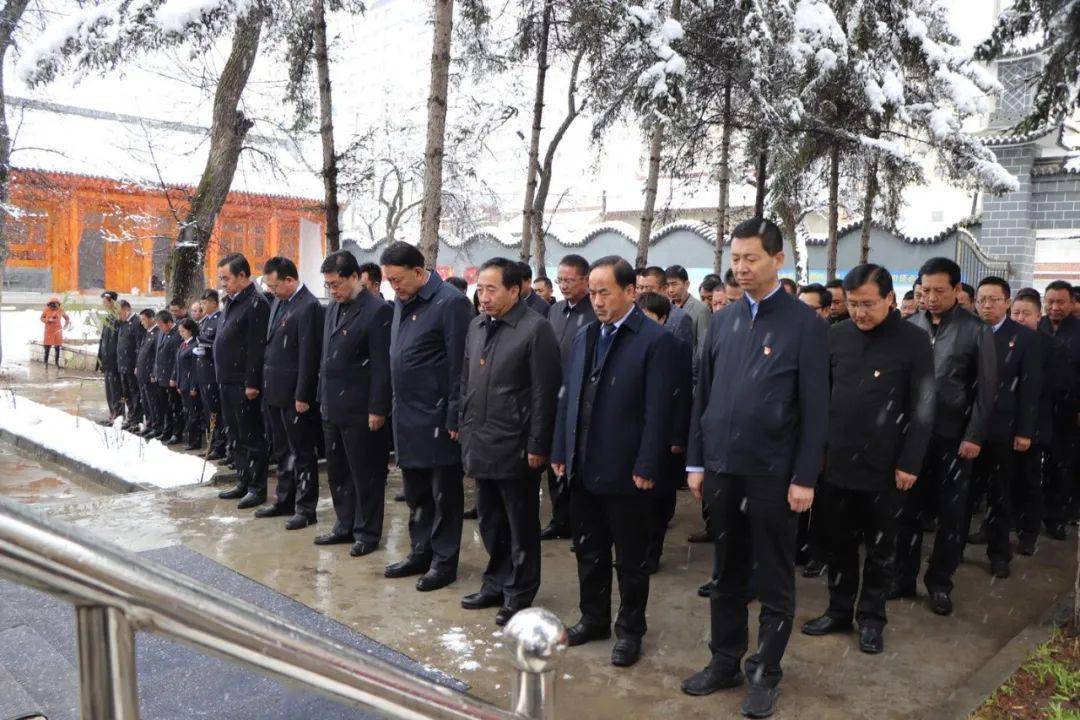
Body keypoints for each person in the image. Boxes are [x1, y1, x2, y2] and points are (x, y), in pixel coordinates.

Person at [681, 217, 827, 718]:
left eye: (751, 259)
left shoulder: (804, 324)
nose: (741, 268)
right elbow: (704, 395)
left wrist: (805, 476)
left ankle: (765, 672)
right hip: (723, 470)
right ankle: (724, 661)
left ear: (777, 260)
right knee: (726, 572)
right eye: (736, 258)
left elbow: (815, 407)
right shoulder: (723, 320)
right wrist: (696, 462)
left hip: (774, 474)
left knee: (773, 578)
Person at [800, 264, 935, 656]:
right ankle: (839, 610)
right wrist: (816, 453)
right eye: (853, 304)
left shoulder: (913, 341)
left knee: (880, 549)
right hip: (838, 461)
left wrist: (910, 462)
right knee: (838, 543)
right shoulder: (836, 336)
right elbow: (820, 397)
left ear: (891, 299)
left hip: (886, 466)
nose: (859, 313)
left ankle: (872, 619)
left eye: (868, 304)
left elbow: (923, 406)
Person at [551, 255, 675, 669]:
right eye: (594, 293)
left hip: (627, 471)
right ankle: (594, 618)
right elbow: (567, 399)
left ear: (630, 292)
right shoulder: (587, 334)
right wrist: (559, 450)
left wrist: (647, 464)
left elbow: (659, 412)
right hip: (584, 464)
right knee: (589, 550)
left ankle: (630, 630)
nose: (598, 300)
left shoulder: (655, 341)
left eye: (606, 292)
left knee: (631, 558)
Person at [458, 258, 562, 626]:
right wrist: (461, 422)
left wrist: (538, 444)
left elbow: (544, 392)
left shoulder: (536, 330)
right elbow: (466, 380)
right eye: (480, 289)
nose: (483, 297)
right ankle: (495, 581)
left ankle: (519, 590)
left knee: (520, 522)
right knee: (489, 518)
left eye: (491, 289)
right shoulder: (475, 326)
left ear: (515, 290)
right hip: (480, 437)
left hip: (515, 442)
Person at [895, 257, 996, 616]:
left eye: (940, 291)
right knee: (907, 511)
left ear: (956, 290)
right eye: (925, 291)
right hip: (913, 439)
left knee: (952, 517)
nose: (931, 298)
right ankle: (902, 577)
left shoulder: (975, 330)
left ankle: (939, 583)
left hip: (954, 439)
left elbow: (986, 391)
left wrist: (974, 436)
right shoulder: (911, 326)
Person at [381, 241, 473, 591]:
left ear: (420, 272)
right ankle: (420, 550)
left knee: (444, 494)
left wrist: (453, 415)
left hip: (437, 417)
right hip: (406, 414)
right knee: (416, 491)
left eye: (398, 279)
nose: (394, 286)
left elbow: (459, 365)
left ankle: (444, 561)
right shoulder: (402, 303)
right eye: (389, 280)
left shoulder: (450, 304)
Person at [315, 250, 393, 556]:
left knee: (366, 474)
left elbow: (381, 366)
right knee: (338, 471)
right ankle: (344, 524)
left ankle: (367, 532)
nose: (333, 290)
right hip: (333, 404)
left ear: (353, 277)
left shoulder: (376, 311)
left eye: (336, 284)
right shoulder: (334, 307)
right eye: (329, 286)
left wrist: (378, 407)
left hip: (362, 408)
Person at [966, 276, 1041, 579]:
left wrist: (1024, 430)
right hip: (968, 427)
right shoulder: (968, 331)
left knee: (999, 494)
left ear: (1007, 302)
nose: (986, 305)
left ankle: (999, 553)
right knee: (965, 494)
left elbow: (1029, 388)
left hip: (1003, 428)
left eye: (994, 299)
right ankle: (954, 547)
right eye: (981, 299)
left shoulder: (1023, 338)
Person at [255, 256, 324, 530]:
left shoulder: (308, 306)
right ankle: (285, 499)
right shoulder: (279, 302)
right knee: (283, 450)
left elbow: (309, 355)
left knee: (302, 452)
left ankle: (306, 507)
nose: (272, 291)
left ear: (289, 280)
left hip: (295, 394)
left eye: (275, 286)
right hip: (275, 390)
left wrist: (303, 395)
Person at [635, 291, 693, 574]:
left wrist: (678, 438)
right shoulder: (631, 344)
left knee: (659, 499)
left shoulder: (677, 347)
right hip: (637, 434)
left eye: (650, 319)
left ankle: (651, 552)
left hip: (667, 433)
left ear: (663, 319)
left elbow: (682, 396)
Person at [543, 253, 597, 541]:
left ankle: (582, 525)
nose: (563, 285)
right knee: (555, 462)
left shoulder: (594, 313)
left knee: (578, 464)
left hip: (580, 398)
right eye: (560, 280)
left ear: (586, 280)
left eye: (569, 280)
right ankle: (559, 518)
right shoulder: (555, 311)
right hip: (554, 397)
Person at [214, 252, 272, 510]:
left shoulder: (256, 303)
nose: (223, 283)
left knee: (251, 435)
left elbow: (256, 347)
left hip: (243, 382)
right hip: (227, 379)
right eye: (221, 278)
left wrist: (252, 381)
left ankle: (257, 487)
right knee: (235, 434)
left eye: (226, 278)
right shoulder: (231, 301)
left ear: (242, 276)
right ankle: (242, 479)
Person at [793, 282, 832, 578]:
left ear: (826, 310)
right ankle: (796, 547)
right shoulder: (793, 336)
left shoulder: (834, 339)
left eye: (811, 309)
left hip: (826, 432)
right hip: (794, 431)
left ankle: (817, 552)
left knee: (821, 499)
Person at [1038, 280, 1080, 536]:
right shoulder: (1037, 327)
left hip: (1068, 409)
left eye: (1060, 302)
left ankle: (1056, 517)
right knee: (1030, 465)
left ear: (1072, 303)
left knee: (1061, 463)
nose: (1054, 307)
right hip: (1037, 406)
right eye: (1050, 301)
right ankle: (1027, 514)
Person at [195, 290, 227, 461]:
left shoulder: (219, 318)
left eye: (206, 302)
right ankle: (212, 442)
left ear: (215, 303)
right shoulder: (206, 320)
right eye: (202, 302)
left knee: (216, 411)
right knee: (208, 411)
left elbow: (217, 342)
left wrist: (205, 344)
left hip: (212, 370)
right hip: (203, 370)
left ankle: (219, 445)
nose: (203, 305)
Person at [636, 266, 694, 348]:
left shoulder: (680, 318)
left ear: (664, 288)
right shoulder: (635, 312)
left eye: (649, 288)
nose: (644, 292)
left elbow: (682, 355)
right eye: (641, 288)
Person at [152, 310, 183, 444]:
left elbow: (177, 359)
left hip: (171, 378)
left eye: (161, 325)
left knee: (174, 407)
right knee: (163, 406)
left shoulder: (177, 335)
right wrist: (154, 372)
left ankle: (177, 433)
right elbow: (157, 355)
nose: (159, 327)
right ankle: (167, 430)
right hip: (160, 376)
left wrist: (174, 377)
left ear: (169, 323)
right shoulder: (161, 333)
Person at [665, 264, 710, 356]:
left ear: (686, 284)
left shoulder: (701, 309)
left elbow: (702, 346)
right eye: (667, 285)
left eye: (674, 284)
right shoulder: (665, 308)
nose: (670, 290)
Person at [174, 317, 205, 450]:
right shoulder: (183, 344)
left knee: (194, 414)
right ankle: (189, 438)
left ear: (190, 330)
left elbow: (194, 368)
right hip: (183, 384)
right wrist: (179, 382)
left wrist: (193, 386)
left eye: (183, 331)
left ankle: (194, 441)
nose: (181, 333)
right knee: (187, 413)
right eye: (179, 331)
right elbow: (179, 365)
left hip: (191, 384)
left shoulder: (195, 345)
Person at [115, 300, 144, 430]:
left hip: (132, 365)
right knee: (126, 393)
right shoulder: (123, 323)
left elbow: (139, 345)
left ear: (126, 310)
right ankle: (130, 417)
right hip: (123, 365)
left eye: (119, 312)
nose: (118, 315)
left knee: (134, 393)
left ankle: (136, 420)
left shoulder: (136, 323)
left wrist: (137, 364)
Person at [134, 309, 160, 438]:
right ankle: (149, 424)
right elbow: (142, 351)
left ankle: (156, 426)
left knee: (153, 402)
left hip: (150, 375)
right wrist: (138, 366)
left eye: (143, 319)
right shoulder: (147, 332)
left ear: (151, 319)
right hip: (142, 373)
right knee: (145, 401)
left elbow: (156, 356)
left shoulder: (157, 333)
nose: (141, 322)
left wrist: (153, 372)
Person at [98, 290, 123, 422]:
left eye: (105, 301)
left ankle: (118, 414)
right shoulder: (108, 317)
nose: (103, 303)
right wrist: (100, 359)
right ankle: (112, 413)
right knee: (109, 390)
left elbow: (118, 343)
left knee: (116, 390)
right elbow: (103, 340)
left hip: (115, 362)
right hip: (107, 361)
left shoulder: (118, 318)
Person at [39, 298, 70, 368]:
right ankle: (45, 363)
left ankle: (57, 364)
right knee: (47, 348)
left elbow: (67, 318)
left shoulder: (60, 311)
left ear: (58, 305)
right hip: (48, 332)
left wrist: (65, 326)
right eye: (52, 305)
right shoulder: (46, 310)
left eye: (55, 305)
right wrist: (47, 320)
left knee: (57, 348)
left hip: (57, 332)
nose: (53, 306)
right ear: (49, 304)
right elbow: (41, 318)